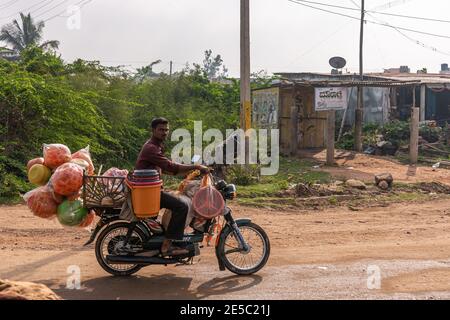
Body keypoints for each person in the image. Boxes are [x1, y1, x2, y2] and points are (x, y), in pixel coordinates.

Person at [135, 117, 209, 256]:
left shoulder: (156, 146)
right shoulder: (151, 148)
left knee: (176, 199)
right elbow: (170, 166)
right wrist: (197, 166)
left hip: (150, 190)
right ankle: (167, 245)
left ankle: (166, 237)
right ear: (153, 130)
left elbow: (168, 169)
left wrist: (189, 172)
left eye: (166, 130)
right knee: (182, 206)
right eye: (161, 129)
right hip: (149, 192)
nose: (164, 132)